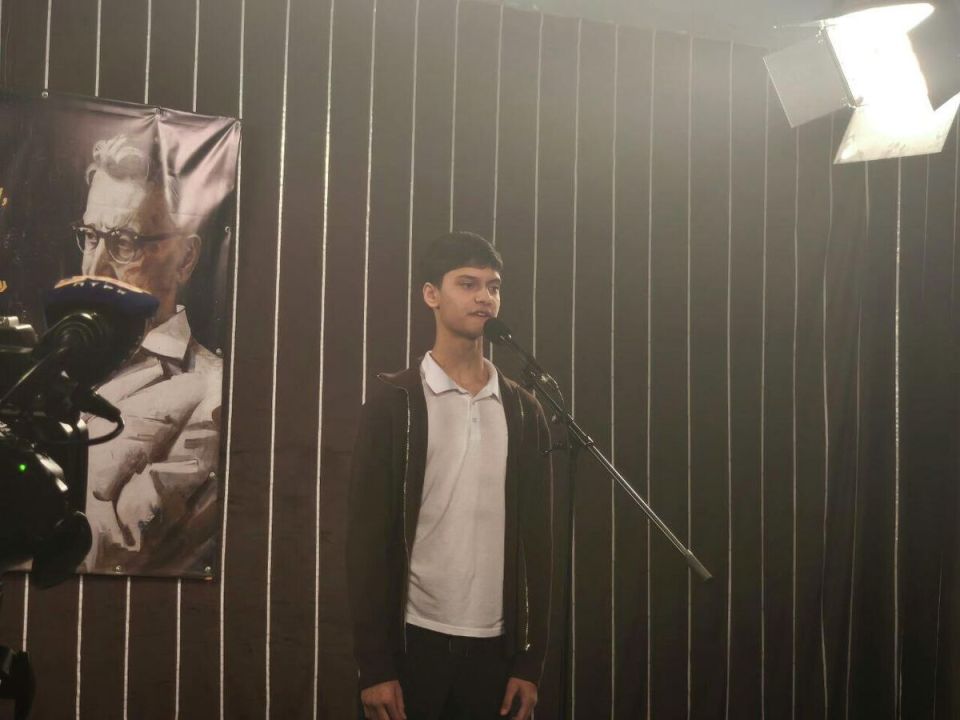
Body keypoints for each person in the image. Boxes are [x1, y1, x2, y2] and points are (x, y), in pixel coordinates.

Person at [347, 232, 553, 720]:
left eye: (493, 286)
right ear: (431, 294)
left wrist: (530, 663)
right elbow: (366, 542)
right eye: (467, 283)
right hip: (413, 642)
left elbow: (538, 543)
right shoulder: (394, 405)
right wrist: (374, 666)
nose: (484, 297)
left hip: (497, 650)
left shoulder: (525, 411)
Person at [76, 134, 222, 575]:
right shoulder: (57, 361)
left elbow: (117, 553)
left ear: (185, 259)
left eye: (123, 243)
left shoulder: (214, 391)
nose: (95, 268)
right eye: (90, 237)